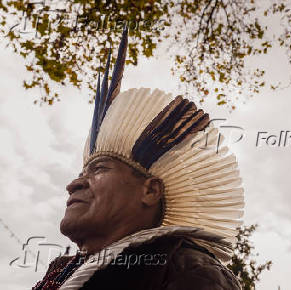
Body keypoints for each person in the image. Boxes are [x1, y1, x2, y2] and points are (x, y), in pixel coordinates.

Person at [33, 26, 244, 290]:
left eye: (98, 169)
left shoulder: (187, 270)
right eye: (80, 174)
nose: (73, 184)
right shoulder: (60, 273)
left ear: (151, 190)